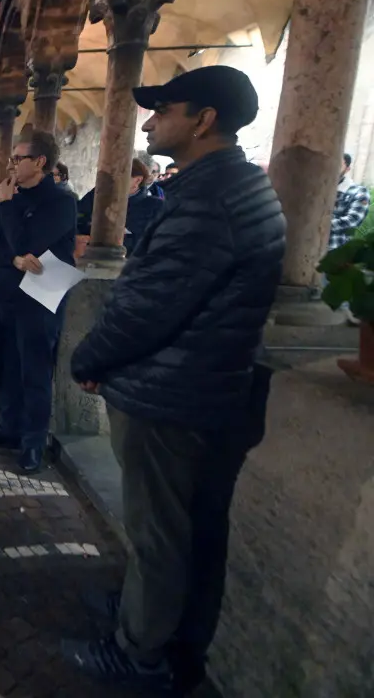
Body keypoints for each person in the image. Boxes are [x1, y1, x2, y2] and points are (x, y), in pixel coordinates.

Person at [62, 65, 285, 694]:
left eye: (165, 111)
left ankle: (140, 654)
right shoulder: (224, 189)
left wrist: (89, 359)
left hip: (171, 396)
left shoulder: (210, 201)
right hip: (191, 389)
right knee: (169, 529)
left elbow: (148, 307)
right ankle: (146, 616)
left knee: (159, 533)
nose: (151, 122)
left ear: (205, 120)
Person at [0, 127, 76, 474]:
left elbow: (25, 241)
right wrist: (14, 261)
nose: (11, 164)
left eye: (19, 158)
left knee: (34, 371)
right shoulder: (12, 200)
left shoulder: (60, 201)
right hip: (5, 294)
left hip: (39, 298)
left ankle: (33, 443)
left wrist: (7, 207)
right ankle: (9, 429)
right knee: (6, 367)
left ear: (40, 162)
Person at [76, 159, 163, 256]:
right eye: (108, 176)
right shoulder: (97, 194)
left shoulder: (154, 206)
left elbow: (153, 242)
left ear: (137, 180)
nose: (110, 181)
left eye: (116, 176)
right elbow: (78, 217)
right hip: (90, 258)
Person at [331, 152, 370, 251]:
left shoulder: (358, 192)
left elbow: (352, 220)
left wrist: (318, 226)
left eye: (338, 164)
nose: (331, 167)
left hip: (332, 250)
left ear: (347, 169)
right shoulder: (314, 189)